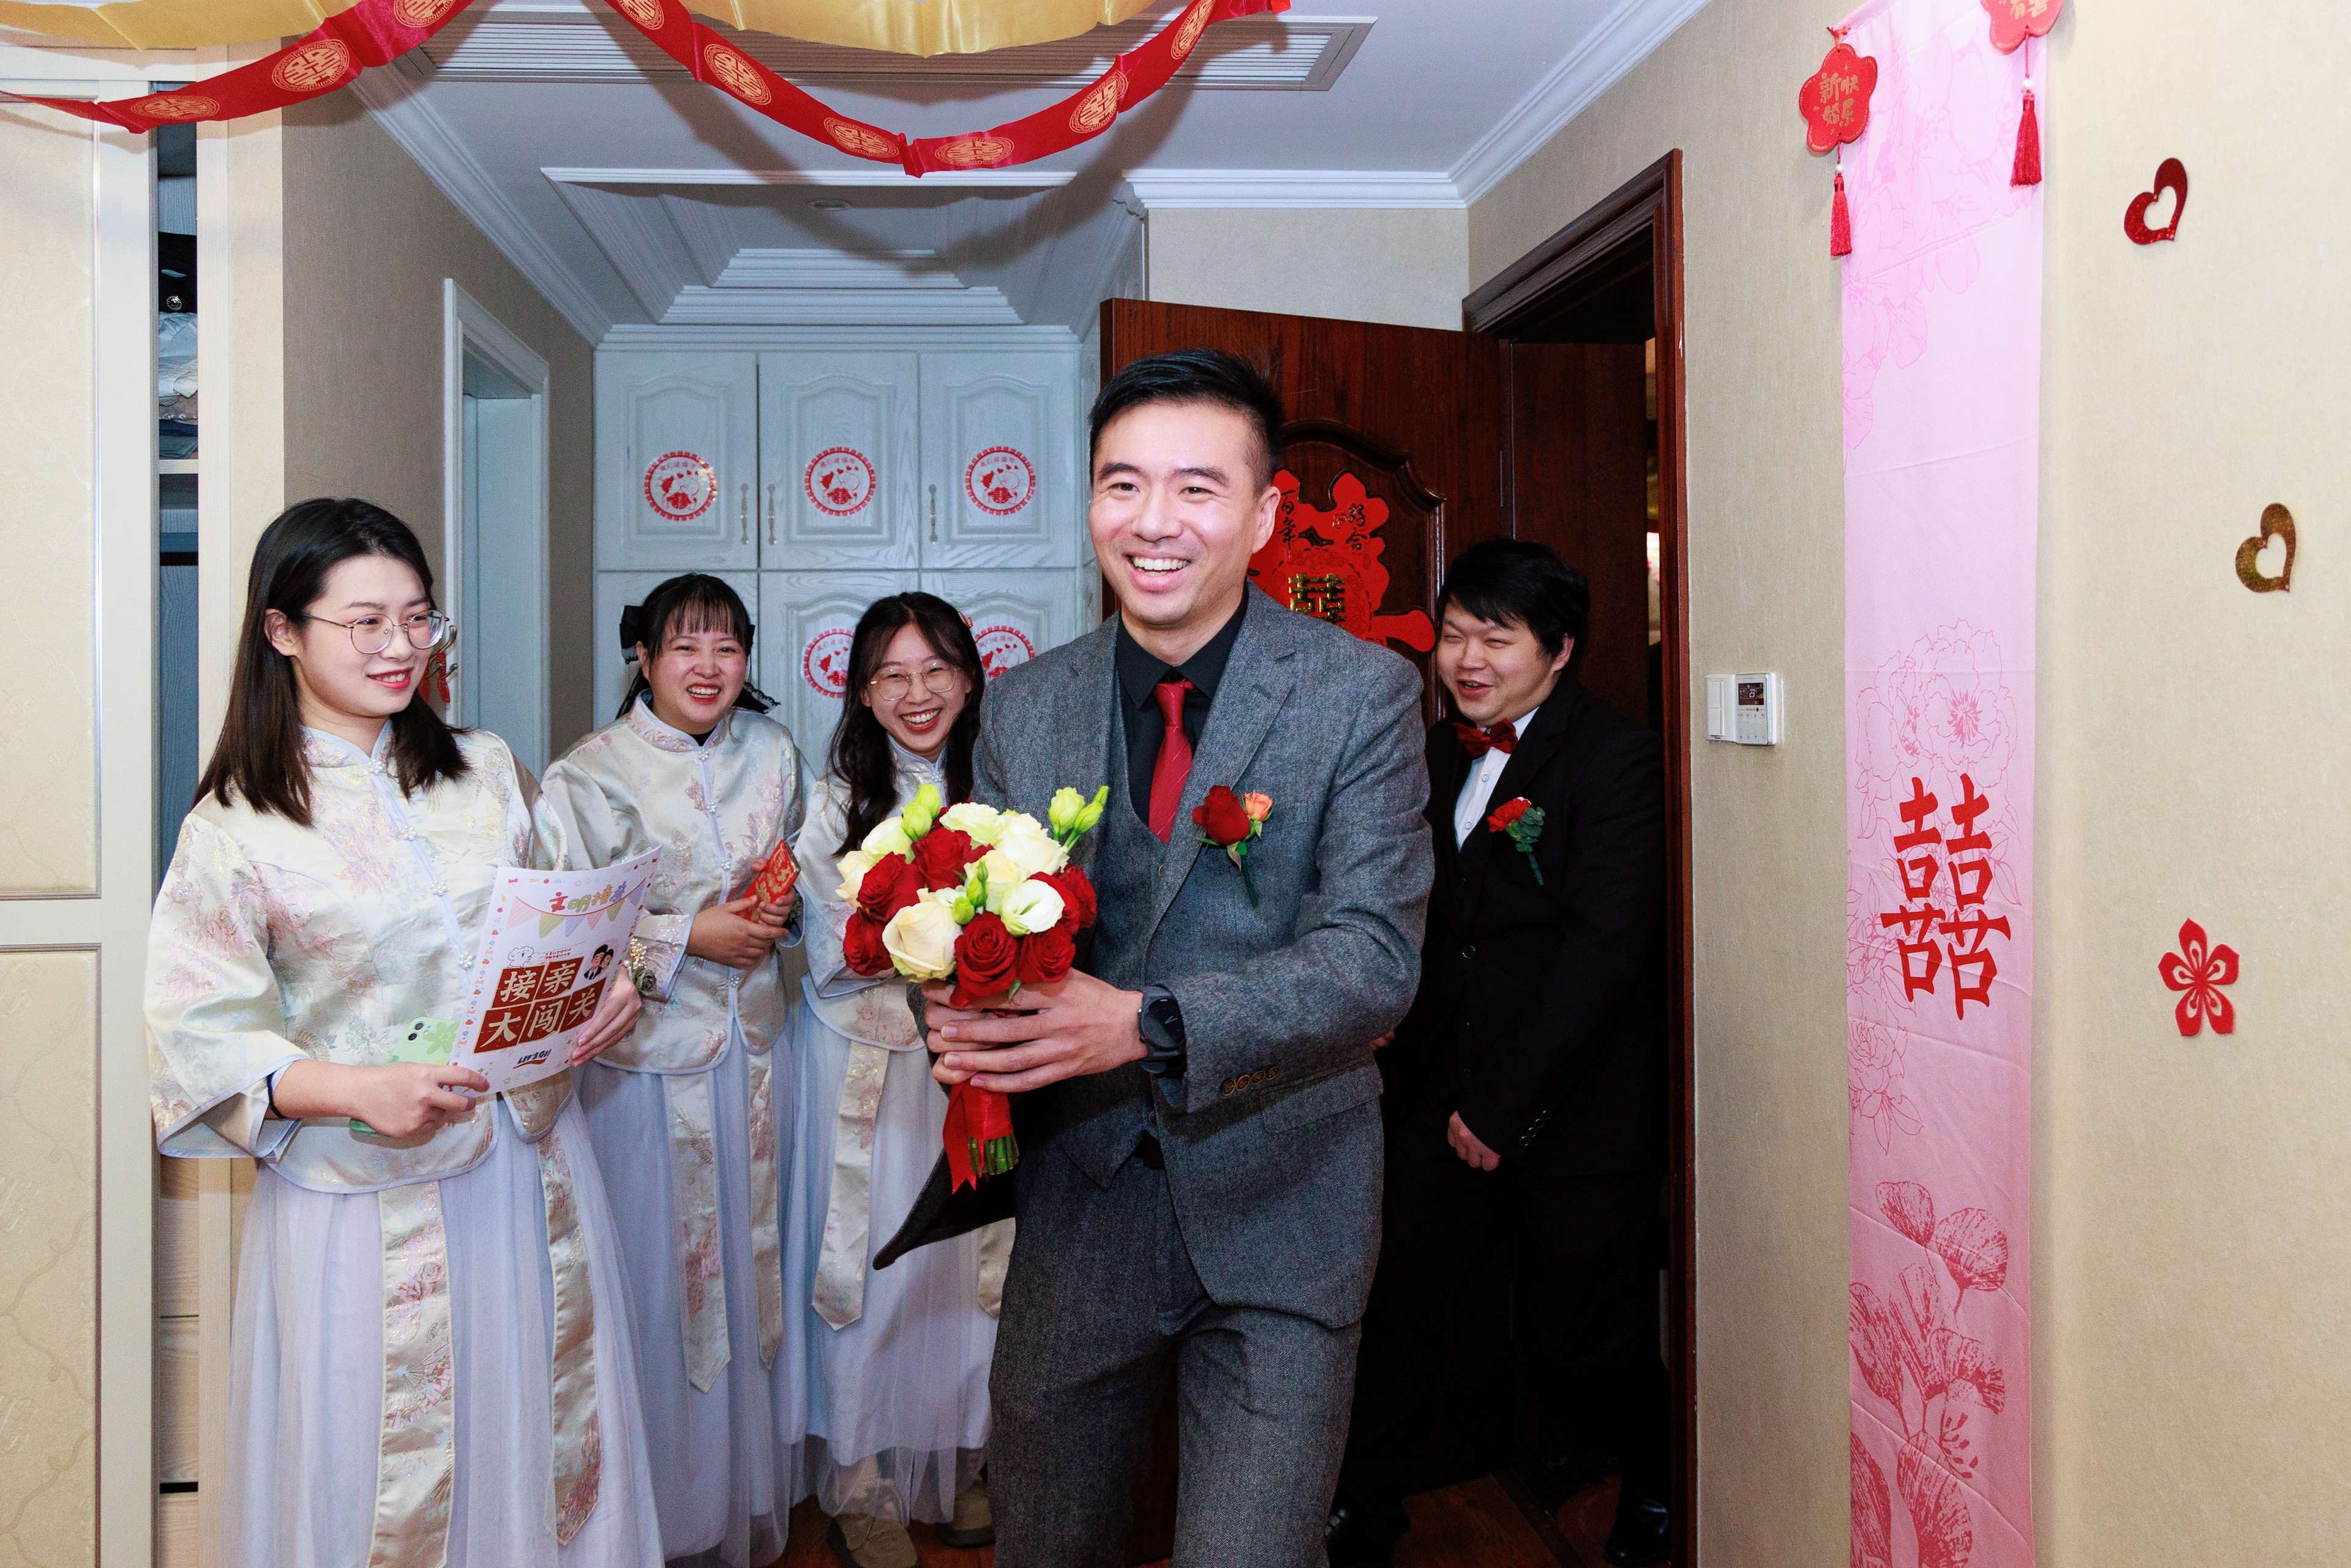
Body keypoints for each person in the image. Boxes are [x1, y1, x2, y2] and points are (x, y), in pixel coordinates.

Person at [901, 348, 1434, 1568]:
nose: (1153, 522)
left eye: (1197, 488)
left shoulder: (1361, 694)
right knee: (1048, 1544)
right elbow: (990, 917)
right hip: (1082, 1204)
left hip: (1287, 1203)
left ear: (1264, 515)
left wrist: (1147, 1023)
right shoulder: (1027, 705)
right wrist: (956, 994)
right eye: (1122, 483)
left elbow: (1373, 958)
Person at [145, 497, 662, 1568]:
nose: (400, 647)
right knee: (375, 1472)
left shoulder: (486, 769)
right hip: (361, 1200)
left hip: (524, 1172)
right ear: (282, 630)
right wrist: (353, 1088)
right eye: (366, 622)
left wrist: (621, 982)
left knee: (538, 1442)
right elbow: (198, 1031)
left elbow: (583, 913)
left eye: (420, 618)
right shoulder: (237, 822)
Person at [1324, 539, 1672, 1568]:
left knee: (1578, 1337)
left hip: (1574, 1109)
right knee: (1395, 1307)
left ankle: (1659, 1474)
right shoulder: (1439, 751)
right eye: (1453, 634)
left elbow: (1601, 953)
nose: (1466, 658)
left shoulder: (1618, 759)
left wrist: (1503, 1106)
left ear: (1559, 650)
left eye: (1497, 637)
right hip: (1442, 1092)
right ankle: (1361, 1518)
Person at [534, 574, 806, 1568]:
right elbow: (572, 941)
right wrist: (691, 935)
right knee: (655, 1295)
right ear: (642, 657)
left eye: (727, 647)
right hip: (641, 1076)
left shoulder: (774, 752)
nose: (708, 666)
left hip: (755, 1061)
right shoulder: (589, 775)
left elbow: (797, 886)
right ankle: (658, 1515)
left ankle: (732, 1494)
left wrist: (780, 915)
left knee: (749, 1276)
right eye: (685, 646)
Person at [781, 593, 1005, 1568]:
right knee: (869, 1268)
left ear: (970, 678)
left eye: (936, 670)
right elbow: (837, 947)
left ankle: (963, 1459)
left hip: (977, 1063)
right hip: (864, 1067)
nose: (918, 694)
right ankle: (862, 1481)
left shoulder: (1004, 786)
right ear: (864, 694)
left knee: (972, 1263)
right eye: (893, 676)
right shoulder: (836, 804)